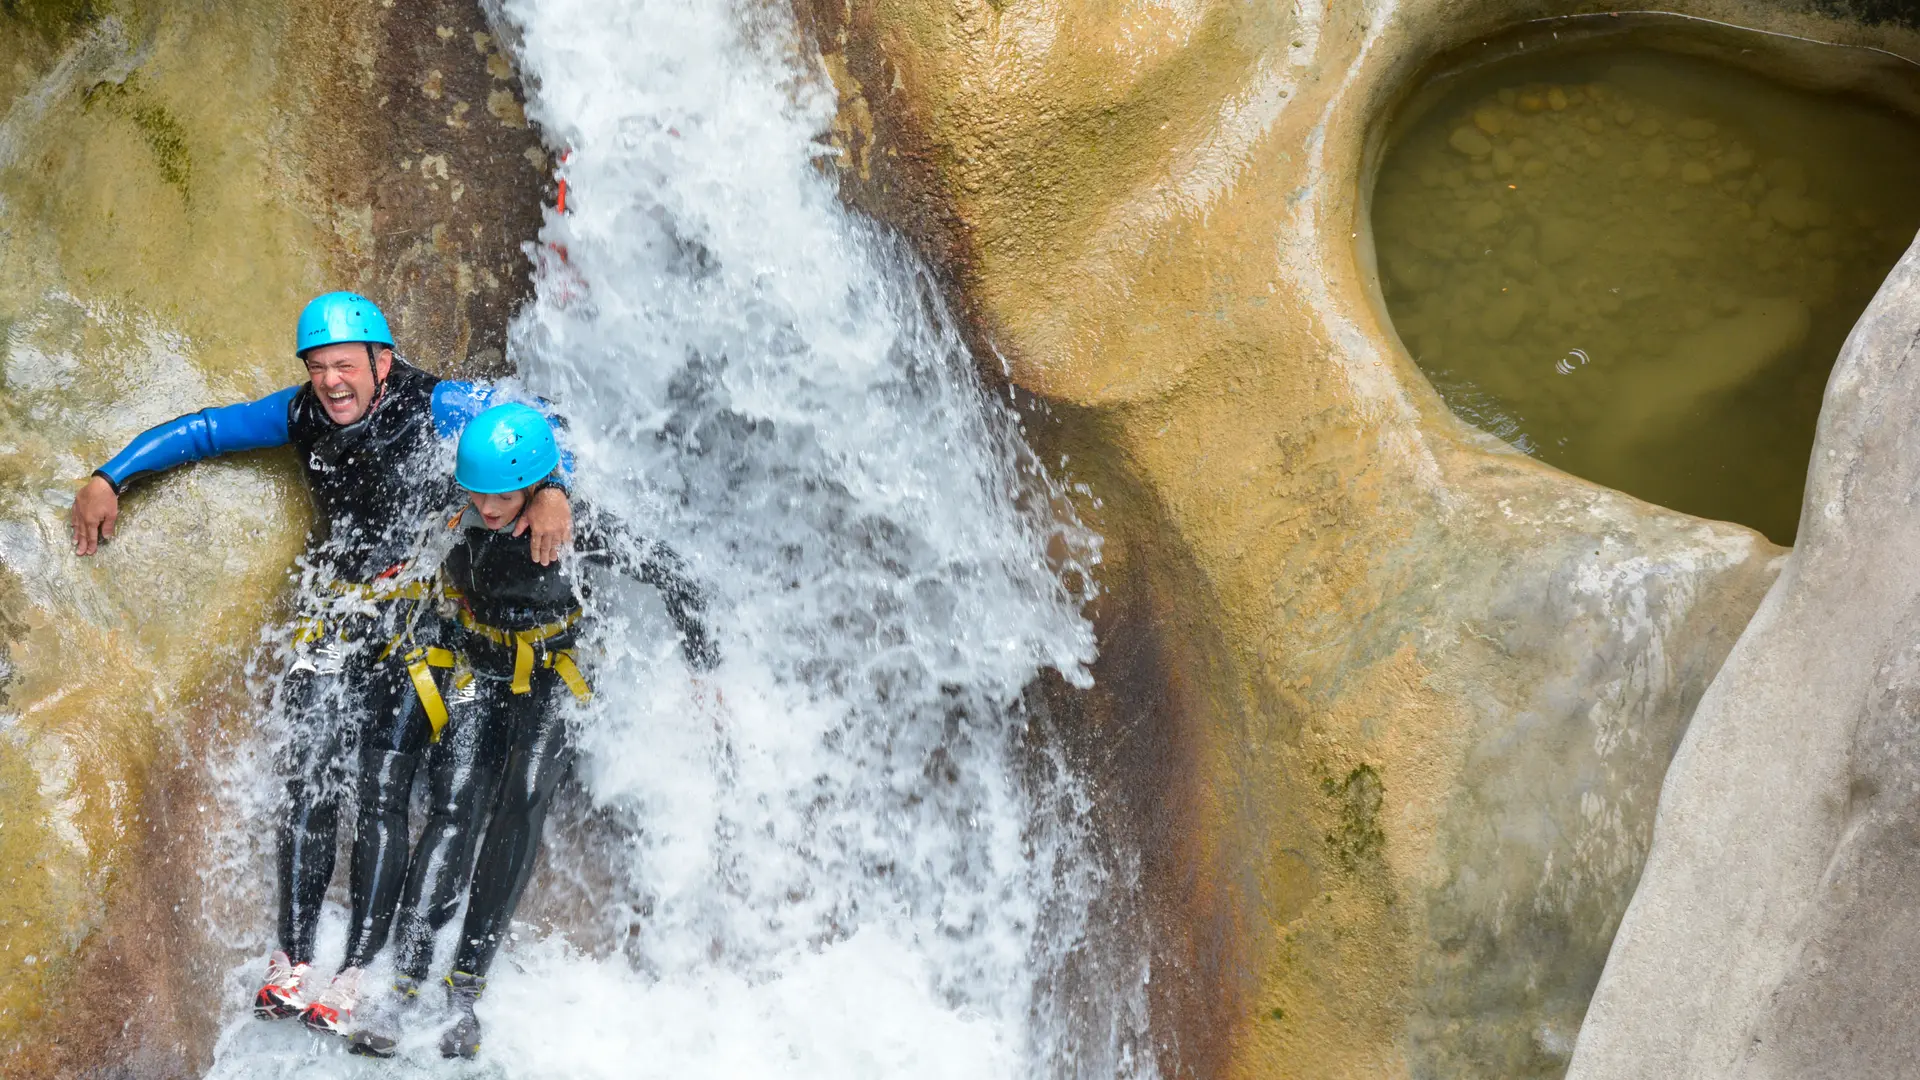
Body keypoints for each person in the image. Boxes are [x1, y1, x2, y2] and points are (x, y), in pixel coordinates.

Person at [67, 293, 576, 1033]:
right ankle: (293, 958)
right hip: (337, 603)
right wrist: (110, 476)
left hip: (418, 613)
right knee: (307, 773)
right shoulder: (299, 413)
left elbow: (534, 425)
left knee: (381, 789)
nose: (331, 381)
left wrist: (554, 488)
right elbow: (206, 430)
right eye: (318, 367)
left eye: (345, 364)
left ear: (382, 359)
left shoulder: (438, 404)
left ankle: (361, 971)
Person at [347, 403, 720, 1059]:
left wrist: (704, 674)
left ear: (536, 482)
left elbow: (679, 577)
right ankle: (403, 984)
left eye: (502, 494)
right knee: (454, 804)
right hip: (469, 662)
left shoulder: (574, 527)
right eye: (477, 492)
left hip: (554, 670)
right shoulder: (453, 510)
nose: (487, 508)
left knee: (520, 799)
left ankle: (463, 992)